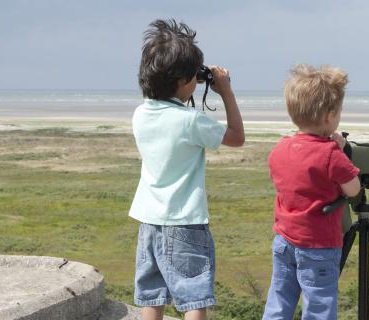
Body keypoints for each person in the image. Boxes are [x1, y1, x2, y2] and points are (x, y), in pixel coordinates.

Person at [129, 18, 244, 320]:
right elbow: (236, 137)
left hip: (149, 221)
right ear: (183, 80)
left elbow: (164, 101)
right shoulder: (190, 122)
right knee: (193, 298)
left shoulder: (140, 114)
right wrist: (226, 91)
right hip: (185, 222)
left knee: (152, 297)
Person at [262, 64, 361, 320]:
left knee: (280, 297)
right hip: (318, 246)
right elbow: (353, 189)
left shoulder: (280, 148)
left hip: (284, 241)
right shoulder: (330, 154)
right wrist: (339, 151)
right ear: (330, 116)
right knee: (319, 305)